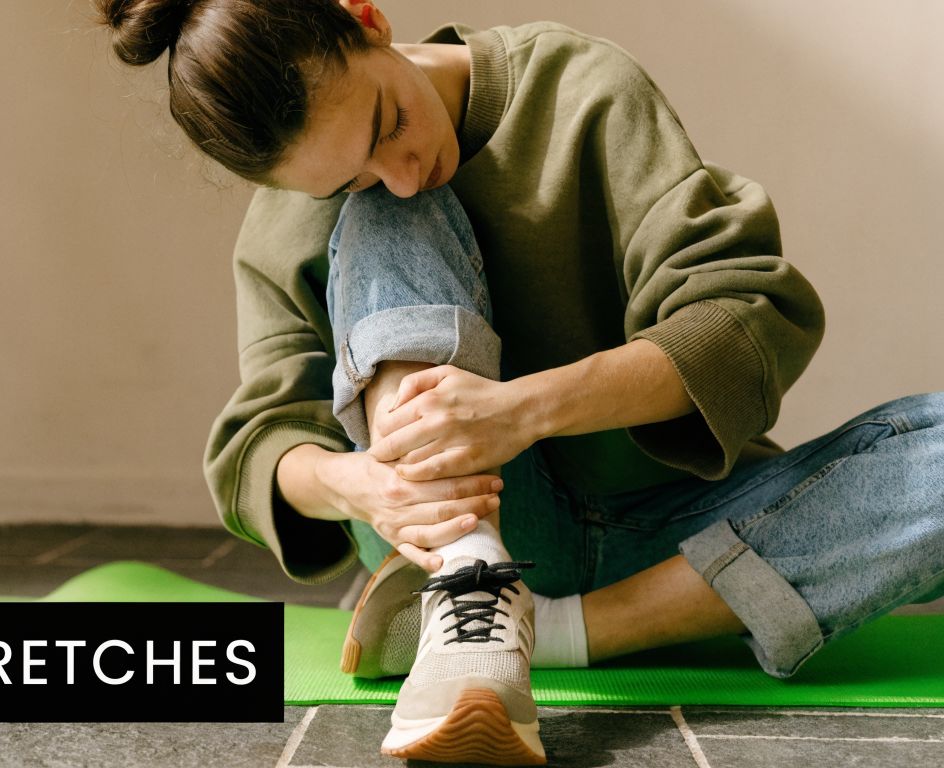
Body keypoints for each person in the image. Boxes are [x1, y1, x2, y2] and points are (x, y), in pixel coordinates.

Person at [95, 0, 944, 764]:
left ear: (368, 17)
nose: (394, 166)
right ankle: (474, 581)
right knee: (400, 215)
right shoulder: (318, 201)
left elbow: (741, 312)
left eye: (387, 123)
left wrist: (522, 411)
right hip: (449, 529)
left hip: (677, 526)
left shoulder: (581, 87)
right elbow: (262, 441)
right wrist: (360, 486)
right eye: (345, 178)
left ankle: (539, 632)